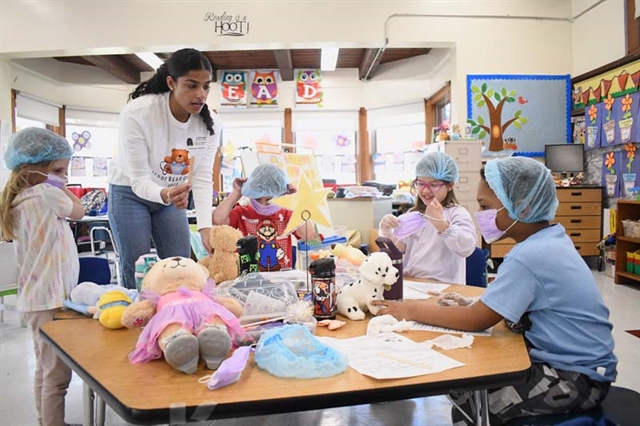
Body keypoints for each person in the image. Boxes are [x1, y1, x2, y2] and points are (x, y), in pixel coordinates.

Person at [372, 157, 617, 424]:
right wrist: (468, 303)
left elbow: (478, 320)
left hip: (574, 378)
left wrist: (407, 309)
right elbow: (505, 304)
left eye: (485, 206)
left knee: (468, 394)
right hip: (577, 367)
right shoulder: (549, 240)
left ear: (522, 208)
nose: (481, 215)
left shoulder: (530, 256)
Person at [108, 48, 221, 289]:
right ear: (171, 82)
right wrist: (166, 194)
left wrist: (205, 227)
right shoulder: (139, 113)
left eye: (206, 86)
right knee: (138, 264)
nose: (200, 94)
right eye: (191, 85)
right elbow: (139, 181)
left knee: (181, 263)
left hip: (171, 196)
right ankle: (139, 320)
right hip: (129, 191)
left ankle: (178, 317)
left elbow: (202, 179)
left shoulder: (210, 123)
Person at [0, 127, 85, 426]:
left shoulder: (18, 200)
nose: (63, 176)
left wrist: (53, 179)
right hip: (51, 301)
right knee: (58, 375)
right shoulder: (47, 193)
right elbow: (79, 211)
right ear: (29, 170)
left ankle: (45, 421)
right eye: (58, 170)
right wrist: (58, 185)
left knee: (44, 368)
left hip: (36, 301)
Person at [378, 151, 476, 284]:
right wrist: (386, 232)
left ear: (450, 185)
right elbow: (395, 253)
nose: (425, 191)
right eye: (420, 183)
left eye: (434, 185)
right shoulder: (413, 216)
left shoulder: (457, 213)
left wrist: (441, 224)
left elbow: (467, 247)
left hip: (443, 287)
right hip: (411, 283)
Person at [213, 164, 315, 271]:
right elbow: (218, 220)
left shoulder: (286, 214)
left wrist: (296, 203)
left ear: (281, 196)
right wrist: (237, 192)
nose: (263, 204)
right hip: (248, 279)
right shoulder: (242, 212)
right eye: (258, 199)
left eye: (269, 200)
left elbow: (309, 234)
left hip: (281, 279)